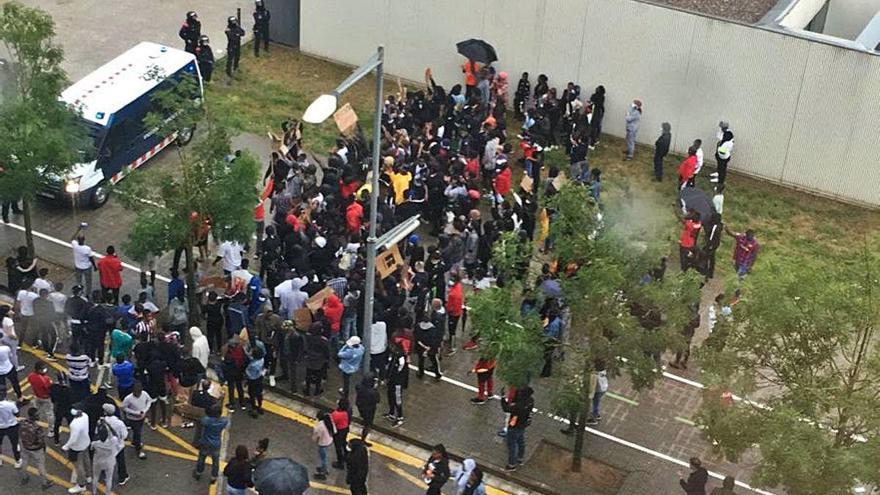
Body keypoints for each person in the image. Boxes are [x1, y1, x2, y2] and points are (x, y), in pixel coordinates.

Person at [18, 407, 53, 489]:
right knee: (41, 465)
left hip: (25, 446)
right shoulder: (37, 427)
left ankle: (24, 477)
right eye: (37, 415)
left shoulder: (22, 422)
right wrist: (43, 448)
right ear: (35, 416)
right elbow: (40, 440)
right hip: (36, 449)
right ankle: (44, 483)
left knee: (25, 462)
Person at [193, 406, 229, 483]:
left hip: (205, 442)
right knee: (215, 461)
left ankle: (198, 472)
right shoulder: (223, 421)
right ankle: (214, 477)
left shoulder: (206, 421)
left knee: (202, 458)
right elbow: (225, 419)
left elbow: (200, 420)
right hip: (216, 443)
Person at [501, 386, 534, 471]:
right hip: (522, 424)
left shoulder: (518, 406)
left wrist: (503, 398)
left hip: (514, 425)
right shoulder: (530, 401)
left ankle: (512, 464)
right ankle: (520, 458)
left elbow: (506, 409)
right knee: (520, 441)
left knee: (512, 444)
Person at [90, 410, 120, 495]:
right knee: (109, 478)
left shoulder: (95, 444)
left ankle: (94, 492)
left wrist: (98, 426)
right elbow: (115, 434)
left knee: (95, 477)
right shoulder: (113, 441)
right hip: (109, 461)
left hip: (98, 461)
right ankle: (107, 493)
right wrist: (107, 424)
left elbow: (94, 439)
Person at [62, 408, 91, 494]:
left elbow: (73, 438)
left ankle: (81, 485)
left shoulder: (74, 425)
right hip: (86, 442)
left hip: (77, 447)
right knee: (86, 459)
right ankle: (89, 476)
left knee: (78, 466)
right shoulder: (85, 415)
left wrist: (66, 447)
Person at [121, 382, 153, 460]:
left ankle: (134, 441)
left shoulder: (144, 394)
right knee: (138, 433)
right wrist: (137, 413)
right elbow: (124, 408)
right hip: (133, 419)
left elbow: (149, 401)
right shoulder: (128, 398)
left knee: (137, 432)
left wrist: (144, 411)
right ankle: (138, 450)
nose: (138, 394)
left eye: (139, 392)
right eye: (136, 392)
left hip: (141, 418)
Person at [102, 403, 130, 486]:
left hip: (106, 445)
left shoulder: (102, 421)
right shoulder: (119, 423)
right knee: (120, 461)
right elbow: (125, 435)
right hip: (118, 445)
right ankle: (122, 477)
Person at [27, 363, 54, 438]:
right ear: (39, 370)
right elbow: (49, 389)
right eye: (43, 369)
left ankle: (33, 425)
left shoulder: (31, 376)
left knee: (36, 411)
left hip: (37, 396)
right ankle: (51, 430)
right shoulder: (45, 379)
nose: (44, 370)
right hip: (46, 398)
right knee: (49, 414)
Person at [70, 223, 97, 300]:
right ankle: (88, 294)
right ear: (84, 240)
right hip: (86, 267)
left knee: (79, 280)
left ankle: (79, 292)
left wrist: (78, 230)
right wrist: (95, 266)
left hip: (78, 266)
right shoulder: (87, 248)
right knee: (88, 281)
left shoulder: (75, 245)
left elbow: (72, 238)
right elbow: (91, 258)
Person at [384, 342, 408, 427]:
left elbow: (400, 369)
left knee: (397, 399)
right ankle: (391, 413)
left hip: (397, 382)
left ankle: (400, 417)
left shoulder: (400, 358)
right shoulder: (394, 356)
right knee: (390, 395)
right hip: (391, 381)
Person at [0, 387, 21, 468]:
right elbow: (17, 414)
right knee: (15, 444)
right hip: (12, 426)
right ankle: (18, 461)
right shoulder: (11, 404)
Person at [355, 374, 379, 444]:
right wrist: (375, 389)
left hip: (361, 406)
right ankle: (363, 440)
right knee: (367, 424)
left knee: (364, 419)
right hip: (369, 410)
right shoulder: (373, 392)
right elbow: (378, 400)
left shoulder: (359, 387)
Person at [311, 411, 335, 480]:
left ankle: (323, 473)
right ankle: (323, 469)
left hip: (323, 443)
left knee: (322, 458)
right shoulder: (328, 421)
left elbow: (316, 435)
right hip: (329, 441)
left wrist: (314, 439)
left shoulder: (319, 426)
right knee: (324, 456)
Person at [330, 398, 351, 469]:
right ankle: (346, 455)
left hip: (338, 431)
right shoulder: (348, 411)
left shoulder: (335, 414)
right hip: (345, 429)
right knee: (344, 442)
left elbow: (332, 424)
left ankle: (340, 462)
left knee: (338, 447)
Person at [245, 346, 264, 417]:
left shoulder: (253, 365)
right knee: (259, 393)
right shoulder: (261, 360)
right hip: (259, 379)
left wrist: (246, 372)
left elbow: (249, 373)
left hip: (253, 380)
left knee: (252, 394)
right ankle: (260, 406)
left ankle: (254, 410)